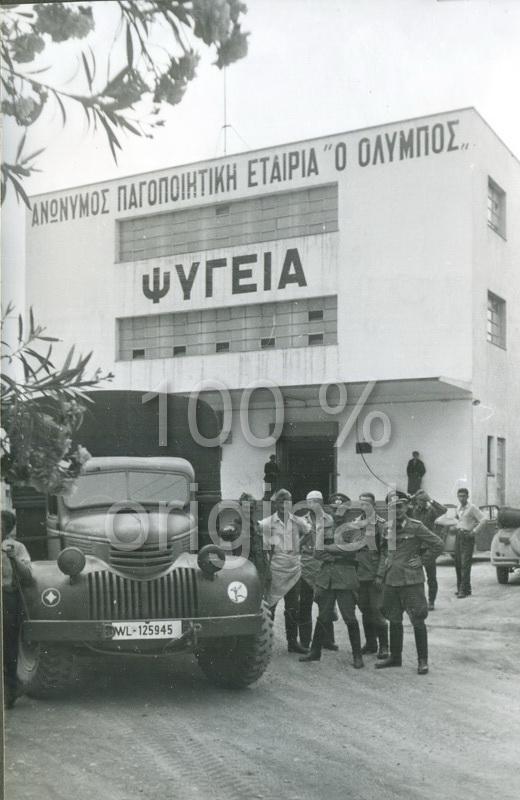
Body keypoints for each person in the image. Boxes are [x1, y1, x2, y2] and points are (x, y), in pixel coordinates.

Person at [376, 496, 444, 675]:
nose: (397, 510)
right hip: (391, 580)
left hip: (411, 581)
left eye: (400, 506)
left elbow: (438, 544)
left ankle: (422, 661)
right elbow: (384, 551)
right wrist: (381, 573)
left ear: (406, 507)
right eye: (393, 507)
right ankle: (395, 657)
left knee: (418, 619)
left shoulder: (416, 526)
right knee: (394, 618)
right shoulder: (387, 527)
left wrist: (423, 559)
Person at [300, 493, 366, 669]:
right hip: (327, 577)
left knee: (349, 617)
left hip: (346, 578)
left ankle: (357, 655)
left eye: (342, 509)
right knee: (323, 615)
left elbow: (352, 549)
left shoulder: (354, 530)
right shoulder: (325, 528)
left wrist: (329, 549)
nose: (338, 512)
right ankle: (315, 652)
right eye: (335, 509)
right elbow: (317, 552)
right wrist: (337, 553)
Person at [257, 489, 311, 654]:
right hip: (276, 568)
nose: (283, 506)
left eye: (287, 502)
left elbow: (309, 531)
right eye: (280, 502)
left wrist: (299, 545)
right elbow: (263, 546)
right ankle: (265, 643)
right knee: (270, 607)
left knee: (293, 607)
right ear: (275, 504)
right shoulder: (267, 523)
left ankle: (292, 643)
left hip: (294, 568)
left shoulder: (298, 521)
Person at [298, 490, 337, 651]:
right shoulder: (301, 521)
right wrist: (305, 537)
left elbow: (333, 542)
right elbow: (295, 544)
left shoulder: (330, 520)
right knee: (304, 604)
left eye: (316, 501)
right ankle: (305, 642)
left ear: (321, 503)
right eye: (310, 502)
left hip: (323, 565)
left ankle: (327, 640)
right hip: (306, 565)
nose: (313, 505)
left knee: (325, 604)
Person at [2, 510, 33, 708]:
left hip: (7, 598)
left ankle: (10, 690)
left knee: (8, 645)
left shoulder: (17, 547)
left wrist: (13, 558)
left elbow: (27, 575)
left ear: (8, 529)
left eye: (2, 527)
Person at [355, 493, 389, 658]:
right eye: (362, 504)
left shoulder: (381, 525)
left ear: (374, 505)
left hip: (374, 575)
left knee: (377, 611)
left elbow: (385, 552)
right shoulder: (356, 523)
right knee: (364, 609)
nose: (364, 507)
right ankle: (370, 643)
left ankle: (384, 646)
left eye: (367, 504)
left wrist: (380, 575)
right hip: (359, 574)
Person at [408, 490, 447, 610]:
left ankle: (431, 601)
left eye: (424, 500)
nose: (422, 502)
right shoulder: (412, 510)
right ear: (417, 501)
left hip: (428, 547)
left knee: (431, 577)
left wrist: (431, 500)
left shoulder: (431, 511)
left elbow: (443, 510)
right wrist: (411, 498)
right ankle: (418, 601)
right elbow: (402, 508)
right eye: (420, 500)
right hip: (415, 547)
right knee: (415, 577)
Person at [223, 493, 269, 593]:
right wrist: (227, 531)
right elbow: (225, 533)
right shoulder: (234, 526)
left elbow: (263, 551)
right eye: (245, 508)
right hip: (243, 572)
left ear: (255, 508)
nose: (249, 511)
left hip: (259, 571)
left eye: (251, 507)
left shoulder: (258, 526)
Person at [453, 488, 487, 598]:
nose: (461, 498)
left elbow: (484, 519)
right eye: (459, 496)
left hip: (467, 537)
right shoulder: (458, 507)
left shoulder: (472, 507)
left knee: (465, 564)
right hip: (459, 536)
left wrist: (474, 531)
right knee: (458, 563)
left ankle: (463, 590)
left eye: (463, 496)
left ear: (467, 496)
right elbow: (458, 519)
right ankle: (463, 588)